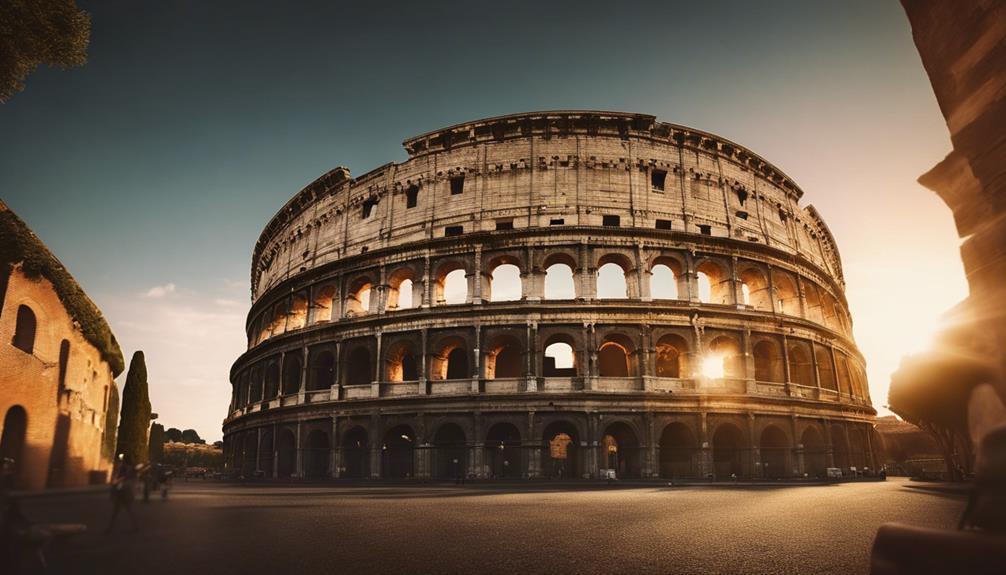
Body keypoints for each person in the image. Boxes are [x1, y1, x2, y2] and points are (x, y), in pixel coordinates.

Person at [105, 456, 138, 533]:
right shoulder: (125, 469)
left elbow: (129, 481)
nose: (122, 463)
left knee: (121, 511)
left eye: (123, 461)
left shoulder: (130, 470)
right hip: (123, 493)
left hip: (126, 493)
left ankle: (110, 528)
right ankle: (110, 527)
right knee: (121, 511)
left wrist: (118, 482)